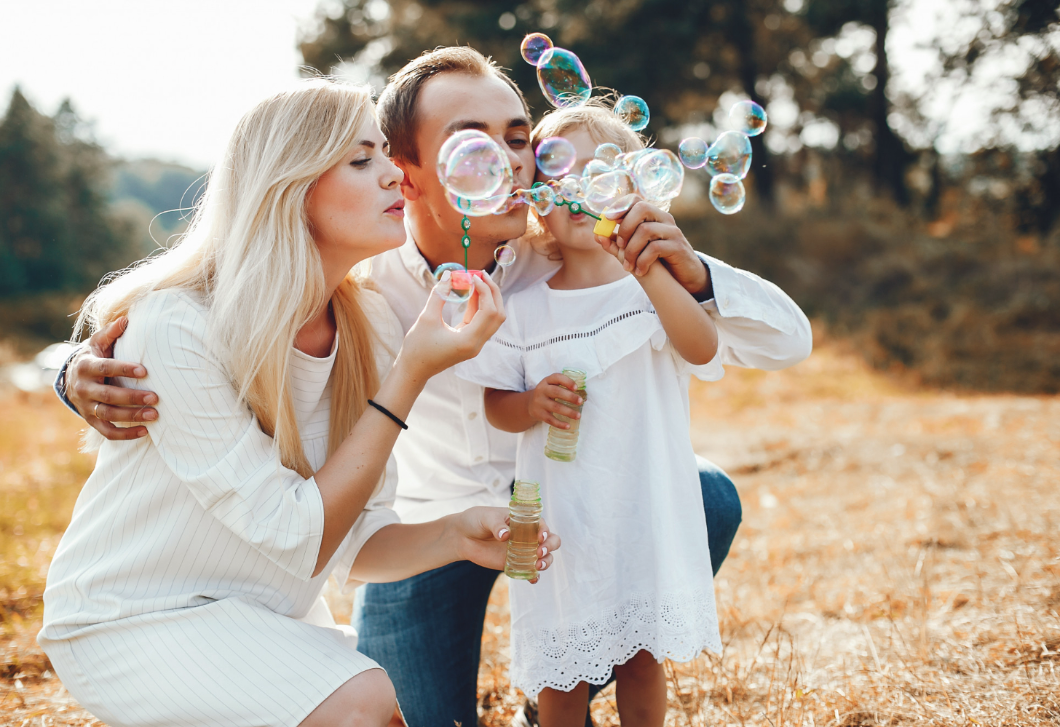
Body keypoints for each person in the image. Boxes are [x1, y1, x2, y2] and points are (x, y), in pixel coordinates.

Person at [57, 48, 811, 727]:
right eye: (475, 142)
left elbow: (786, 339)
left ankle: (559, 686)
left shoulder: (582, 253)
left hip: (563, 518)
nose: (514, 160)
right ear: (409, 171)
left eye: (520, 137)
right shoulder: (370, 292)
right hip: (423, 533)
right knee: (403, 712)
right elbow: (213, 314)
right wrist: (76, 374)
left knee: (704, 490)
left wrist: (695, 272)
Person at [37, 78, 561, 727]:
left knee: (378, 701)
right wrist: (412, 373)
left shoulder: (367, 320)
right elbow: (295, 538)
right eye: (361, 159)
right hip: (132, 614)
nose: (393, 176)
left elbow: (354, 536)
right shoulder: (177, 324)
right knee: (365, 700)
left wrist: (456, 532)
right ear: (291, 183)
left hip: (259, 610)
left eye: (387, 156)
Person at [456, 102, 727, 726]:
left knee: (640, 655)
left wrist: (650, 270)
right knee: (562, 662)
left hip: (642, 500)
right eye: (560, 180)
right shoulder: (522, 305)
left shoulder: (650, 287)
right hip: (558, 510)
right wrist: (531, 404)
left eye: (600, 178)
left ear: (635, 194)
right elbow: (496, 405)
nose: (578, 192)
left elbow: (703, 347)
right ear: (538, 205)